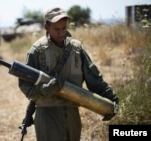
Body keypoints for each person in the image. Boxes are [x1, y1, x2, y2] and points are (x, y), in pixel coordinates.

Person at [18, 7, 119, 141]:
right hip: (48, 115)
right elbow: (26, 87)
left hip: (72, 115)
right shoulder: (36, 51)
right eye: (56, 29)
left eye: (64, 28)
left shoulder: (77, 49)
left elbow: (94, 80)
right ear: (46, 27)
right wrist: (45, 90)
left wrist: (111, 99)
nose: (61, 33)